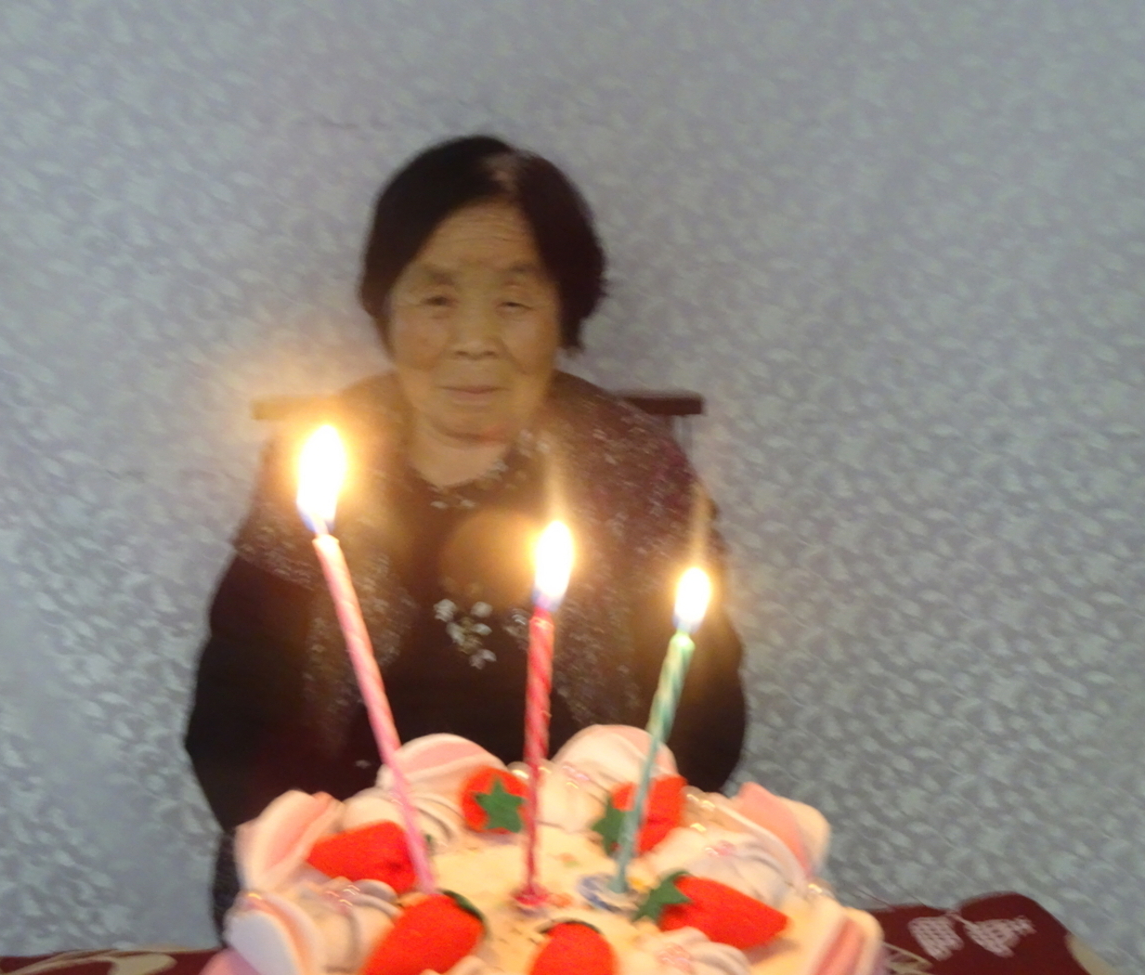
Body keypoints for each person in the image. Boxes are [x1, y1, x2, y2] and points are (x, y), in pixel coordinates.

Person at [184, 134, 746, 921]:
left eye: (514, 302)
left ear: (565, 310)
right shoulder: (319, 463)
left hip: (573, 889)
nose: (475, 339)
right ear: (386, 304)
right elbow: (235, 709)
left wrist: (586, 862)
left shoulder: (636, 470)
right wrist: (331, 861)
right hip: (351, 879)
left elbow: (702, 714)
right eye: (438, 299)